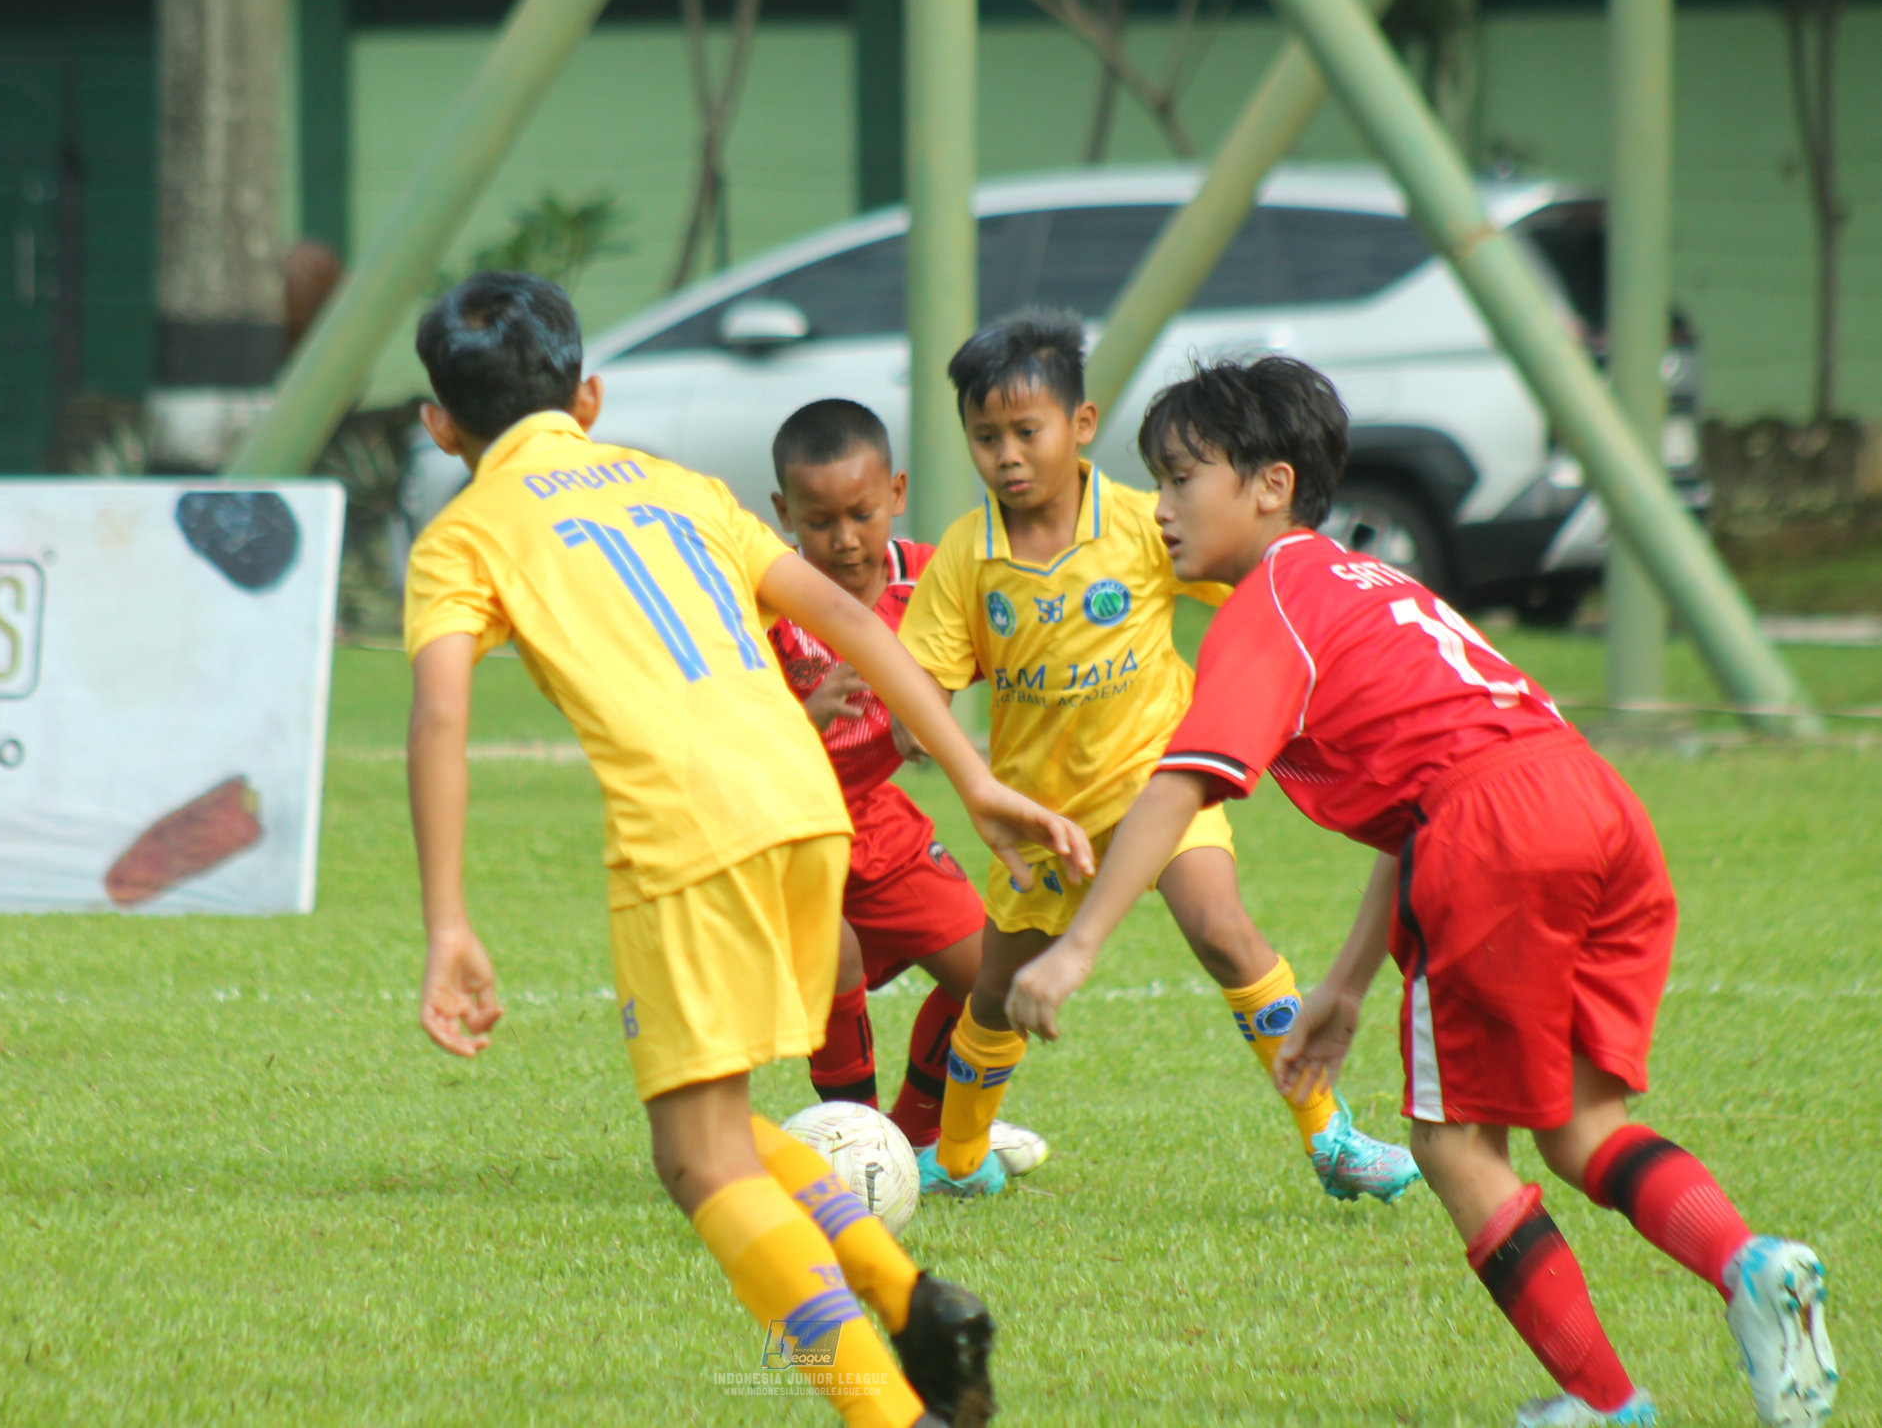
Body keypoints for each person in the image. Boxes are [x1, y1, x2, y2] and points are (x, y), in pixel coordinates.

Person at [1004, 356, 1838, 1428]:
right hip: (1593, 804)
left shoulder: (1272, 599)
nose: (1157, 509)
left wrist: (1074, 946)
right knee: (1582, 1124)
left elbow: (1181, 778)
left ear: (1270, 484)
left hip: (1493, 831)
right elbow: (1421, 803)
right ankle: (1750, 1261)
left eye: (1178, 478)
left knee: (1451, 1145)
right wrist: (1347, 984)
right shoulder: (1375, 582)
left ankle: (1604, 1402)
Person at [404, 270, 1095, 1428]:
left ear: (439, 425)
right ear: (586, 395)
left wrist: (446, 921)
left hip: (685, 830)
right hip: (804, 801)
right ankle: (907, 1293)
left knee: (694, 1162)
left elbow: (437, 720)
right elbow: (851, 621)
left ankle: (891, 1408)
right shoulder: (679, 486)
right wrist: (973, 779)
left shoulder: (462, 533)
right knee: (716, 1127)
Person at [895, 310, 1419, 1203]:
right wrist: (921, 720)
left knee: (1225, 935)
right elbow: (919, 694)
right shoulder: (964, 559)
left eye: (1028, 431)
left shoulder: (1148, 524)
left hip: (1161, 790)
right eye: (986, 438)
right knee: (993, 993)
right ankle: (958, 1154)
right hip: (1041, 822)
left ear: (1081, 425)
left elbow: (1268, 579)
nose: (1008, 455)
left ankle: (1328, 1133)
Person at [764, 398, 1046, 1175]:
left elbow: (1016, 636)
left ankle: (916, 1137)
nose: (845, 538)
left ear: (896, 491)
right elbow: (724, 733)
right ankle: (848, 1145)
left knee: (999, 979)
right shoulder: (763, 601)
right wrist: (800, 716)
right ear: (784, 513)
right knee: (837, 957)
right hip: (788, 831)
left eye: (861, 511)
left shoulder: (935, 578)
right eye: (819, 521)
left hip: (880, 824)